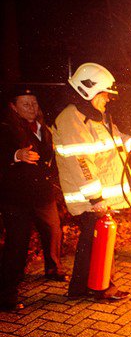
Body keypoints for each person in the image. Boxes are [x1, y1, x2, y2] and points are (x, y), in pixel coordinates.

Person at [52, 62, 131, 301]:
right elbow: (81, 163)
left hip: (97, 198)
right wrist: (95, 198)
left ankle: (81, 289)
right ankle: (101, 288)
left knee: (91, 244)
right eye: (104, 94)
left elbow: (118, 141)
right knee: (98, 243)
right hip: (90, 199)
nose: (108, 99)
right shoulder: (72, 120)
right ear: (88, 90)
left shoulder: (95, 118)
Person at [0, 88, 67, 311]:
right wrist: (16, 155)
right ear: (13, 107)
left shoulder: (44, 127)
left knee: (54, 231)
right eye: (26, 104)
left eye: (34, 103)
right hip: (16, 197)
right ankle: (7, 294)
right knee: (17, 243)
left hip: (42, 193)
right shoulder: (6, 128)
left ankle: (53, 269)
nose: (32, 108)